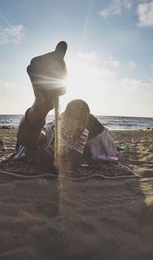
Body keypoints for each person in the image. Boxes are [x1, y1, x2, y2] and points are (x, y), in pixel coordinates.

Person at [15, 41, 118, 171]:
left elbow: (70, 162)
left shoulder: (82, 132)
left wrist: (45, 156)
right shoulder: (54, 130)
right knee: (30, 140)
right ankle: (39, 108)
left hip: (54, 142)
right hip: (29, 132)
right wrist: (39, 111)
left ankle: (40, 108)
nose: (80, 126)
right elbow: (31, 140)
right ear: (64, 120)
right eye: (76, 120)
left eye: (83, 121)